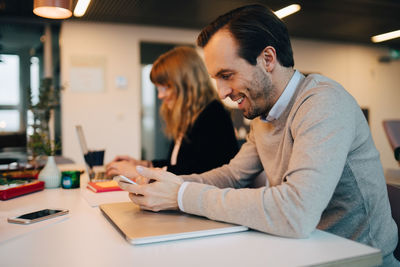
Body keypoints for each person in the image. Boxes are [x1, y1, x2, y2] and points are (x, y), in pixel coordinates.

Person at [117, 5, 399, 266]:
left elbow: (296, 212)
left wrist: (182, 195)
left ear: (267, 59)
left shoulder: (323, 103)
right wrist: (168, 183)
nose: (222, 92)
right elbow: (231, 175)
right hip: (303, 251)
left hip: (357, 259)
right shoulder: (264, 115)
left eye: (227, 75)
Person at [106, 46, 238, 177]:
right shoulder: (189, 116)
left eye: (166, 87)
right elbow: (177, 165)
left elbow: (199, 172)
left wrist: (139, 172)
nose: (160, 95)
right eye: (158, 88)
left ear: (187, 83)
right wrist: (144, 165)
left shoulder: (213, 115)